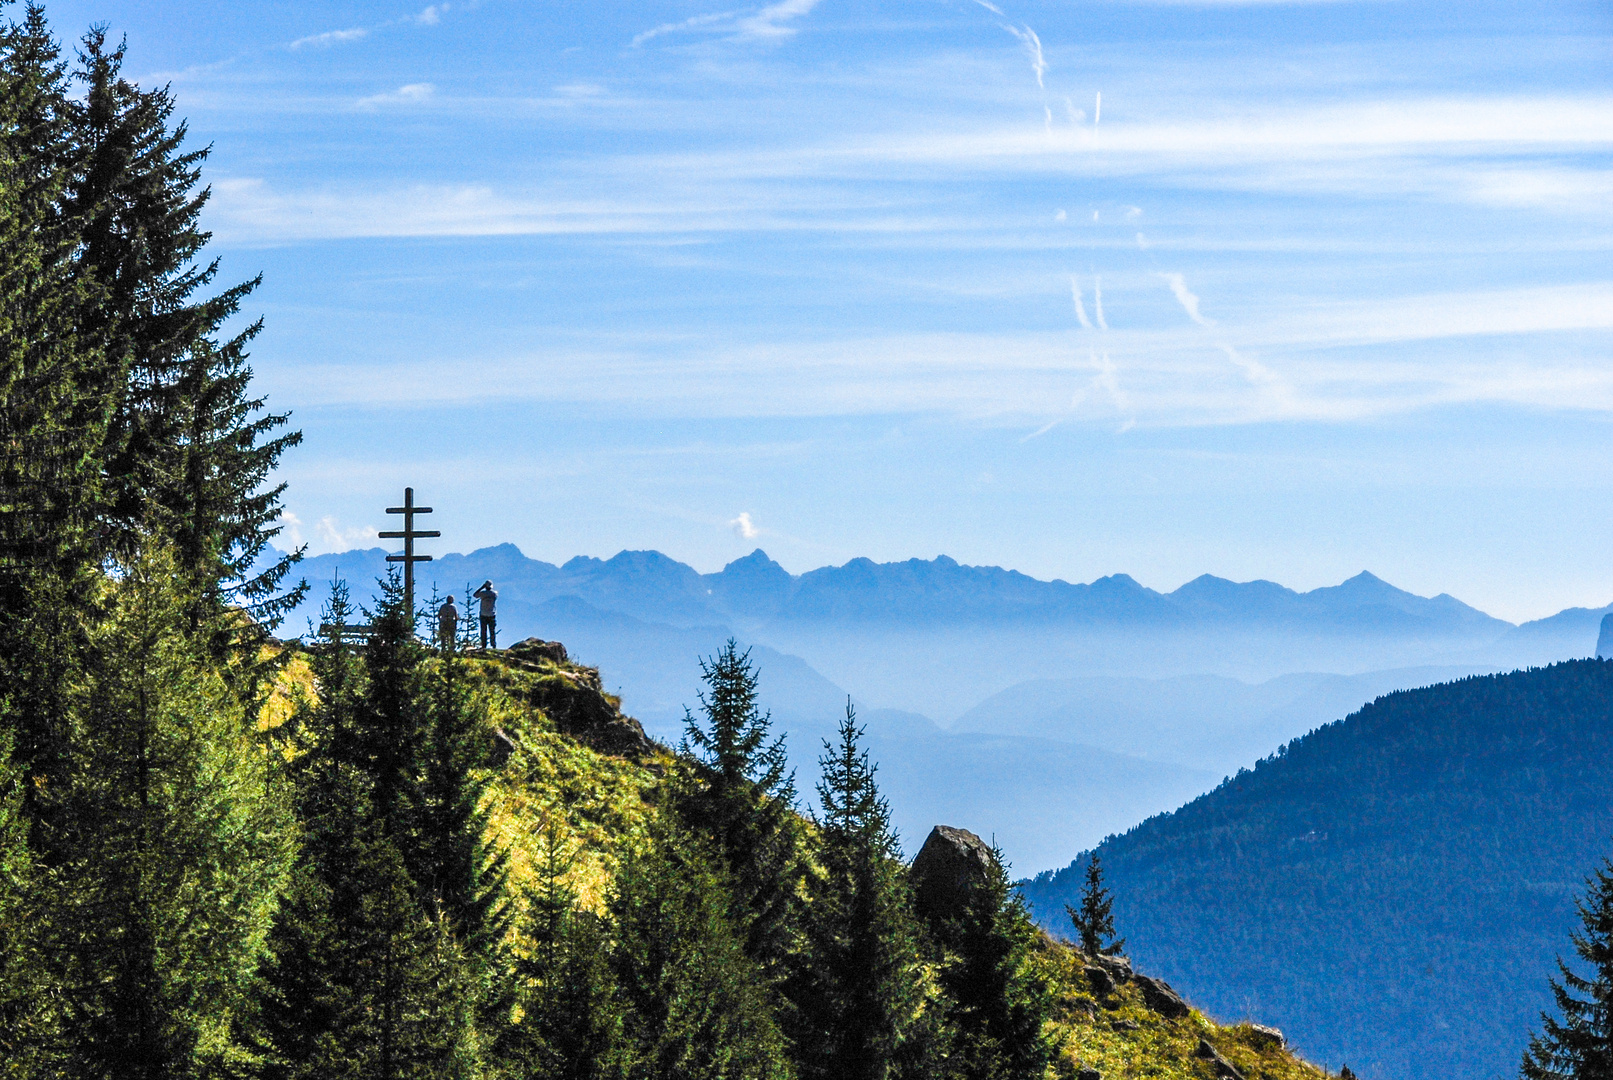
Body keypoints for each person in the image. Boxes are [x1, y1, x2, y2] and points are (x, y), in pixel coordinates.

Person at [473, 580, 498, 649]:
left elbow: (474, 595)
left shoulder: (482, 593)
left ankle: (484, 645)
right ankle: (493, 645)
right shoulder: (494, 593)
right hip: (492, 614)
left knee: (483, 631)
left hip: (483, 614)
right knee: (492, 631)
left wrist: (481, 587)